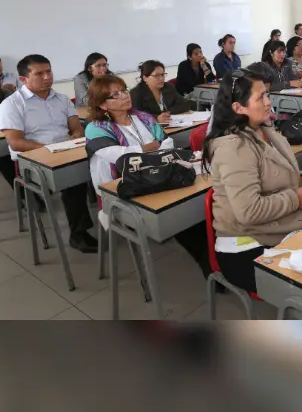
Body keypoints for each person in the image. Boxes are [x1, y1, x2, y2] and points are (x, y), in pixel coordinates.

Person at [83, 75, 214, 280]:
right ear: (102, 104)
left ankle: (212, 258)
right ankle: (208, 263)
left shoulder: (143, 117)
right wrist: (149, 149)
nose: (125, 96)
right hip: (125, 187)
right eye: (115, 95)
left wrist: (142, 153)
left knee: (197, 207)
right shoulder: (96, 128)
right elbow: (118, 157)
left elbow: (167, 143)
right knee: (178, 213)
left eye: (124, 90)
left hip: (160, 176)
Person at [204, 69, 302, 293]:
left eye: (267, 94)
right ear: (238, 108)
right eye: (261, 97)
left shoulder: (264, 129)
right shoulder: (233, 147)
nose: (269, 102)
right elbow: (249, 211)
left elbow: (277, 168)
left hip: (278, 230)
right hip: (246, 249)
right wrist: (296, 198)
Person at [0, 54, 98, 253]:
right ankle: (79, 234)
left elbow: (76, 128)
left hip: (66, 151)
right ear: (24, 79)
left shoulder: (61, 99)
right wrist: (50, 151)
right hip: (33, 159)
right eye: (39, 73)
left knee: (105, 161)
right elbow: (16, 142)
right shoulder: (12, 104)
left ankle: (117, 215)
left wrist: (74, 139)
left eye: (49, 71)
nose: (47, 77)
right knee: (73, 180)